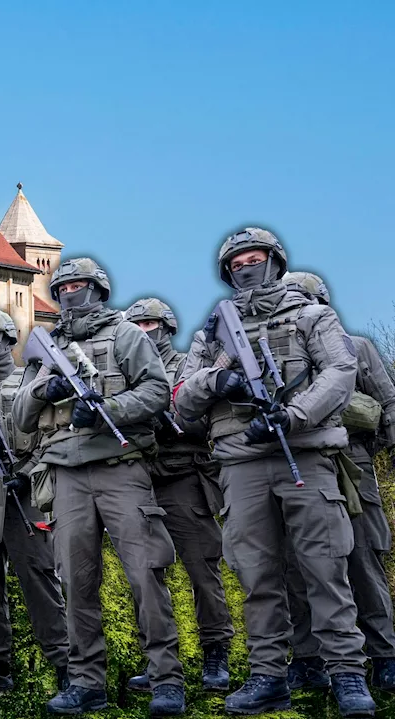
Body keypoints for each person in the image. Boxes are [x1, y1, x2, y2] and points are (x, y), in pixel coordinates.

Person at [174, 229, 376, 717]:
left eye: (255, 257)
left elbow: (339, 373)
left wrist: (293, 414)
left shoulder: (312, 316)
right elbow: (180, 400)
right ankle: (268, 674)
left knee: (325, 568)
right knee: (256, 574)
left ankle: (346, 673)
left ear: (274, 260)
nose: (246, 266)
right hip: (240, 465)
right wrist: (216, 379)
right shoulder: (212, 332)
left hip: (303, 455)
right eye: (237, 260)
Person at [13, 258, 185, 716]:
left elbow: (156, 391)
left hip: (120, 466)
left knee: (145, 573)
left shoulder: (126, 334)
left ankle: (166, 678)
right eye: (63, 286)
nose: (70, 293)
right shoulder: (45, 346)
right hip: (65, 474)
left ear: (98, 288)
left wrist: (109, 406)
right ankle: (87, 680)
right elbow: (18, 418)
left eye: (79, 285)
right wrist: (41, 393)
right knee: (75, 579)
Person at [278, 271, 395, 694]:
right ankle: (308, 658)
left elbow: (388, 402)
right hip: (297, 463)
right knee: (296, 563)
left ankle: (383, 656)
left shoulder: (355, 346)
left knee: (362, 558)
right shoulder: (270, 347)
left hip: (351, 462)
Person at [123, 298, 234, 693]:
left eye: (150, 323)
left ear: (168, 327)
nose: (143, 330)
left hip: (184, 477)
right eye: (135, 324)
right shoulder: (127, 369)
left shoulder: (188, 365)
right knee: (146, 574)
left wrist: (183, 426)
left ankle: (216, 652)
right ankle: (157, 662)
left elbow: (209, 413)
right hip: (139, 478)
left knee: (202, 570)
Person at [0, 308, 70, 693]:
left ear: (9, 339)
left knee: (38, 578)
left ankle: (63, 662)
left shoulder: (31, 380)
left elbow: (51, 434)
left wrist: (27, 474)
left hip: (25, 491)